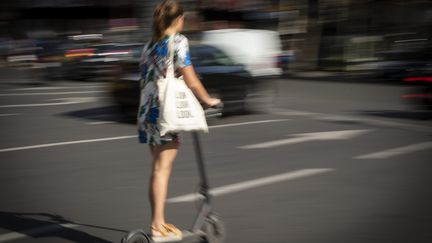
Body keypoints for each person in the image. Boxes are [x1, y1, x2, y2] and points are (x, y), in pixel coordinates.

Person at [137, 0, 220, 242]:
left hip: (148, 111)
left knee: (157, 168)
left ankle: (159, 222)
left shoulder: (149, 46)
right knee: (162, 170)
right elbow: (190, 78)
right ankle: (156, 225)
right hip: (166, 113)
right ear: (179, 19)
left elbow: (146, 80)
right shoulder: (178, 41)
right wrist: (208, 100)